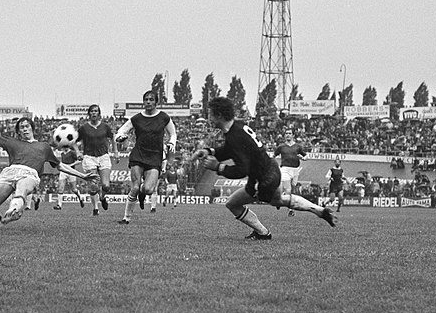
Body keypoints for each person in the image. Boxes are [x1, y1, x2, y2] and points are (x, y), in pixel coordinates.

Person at [192, 97, 335, 240]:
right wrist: (210, 151)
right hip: (269, 169)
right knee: (279, 200)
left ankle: (263, 233)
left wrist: (217, 167)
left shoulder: (234, 135)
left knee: (235, 204)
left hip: (262, 179)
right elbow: (230, 150)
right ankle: (320, 211)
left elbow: (242, 170)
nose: (209, 118)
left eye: (211, 114)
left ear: (219, 115)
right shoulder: (237, 127)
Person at [0, 105, 97, 228]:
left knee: (21, 190)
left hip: (30, 173)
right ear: (18, 131)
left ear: (31, 128)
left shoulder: (44, 146)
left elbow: (60, 166)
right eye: (22, 127)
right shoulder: (11, 142)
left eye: (27, 126)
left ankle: (14, 209)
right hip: (10, 173)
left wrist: (83, 175)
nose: (24, 129)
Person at [114, 90, 177, 224]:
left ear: (156, 102)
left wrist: (172, 142)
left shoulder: (163, 117)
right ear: (143, 102)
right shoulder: (136, 118)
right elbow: (121, 131)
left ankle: (142, 195)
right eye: (146, 99)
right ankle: (126, 218)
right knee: (135, 187)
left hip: (155, 157)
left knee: (148, 189)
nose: (148, 102)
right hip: (138, 155)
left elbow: (173, 133)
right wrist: (120, 137)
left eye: (151, 99)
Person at [76, 104, 116, 216]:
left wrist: (116, 152)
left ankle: (102, 197)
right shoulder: (84, 128)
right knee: (93, 186)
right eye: (92, 111)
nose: (94, 113)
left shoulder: (105, 127)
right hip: (89, 157)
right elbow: (74, 141)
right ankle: (95, 209)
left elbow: (112, 138)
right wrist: (78, 152)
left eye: (96, 111)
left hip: (103, 156)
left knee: (106, 185)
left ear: (99, 113)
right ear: (89, 113)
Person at [275, 129, 306, 216]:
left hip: (295, 170)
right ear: (285, 136)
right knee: (288, 189)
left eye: (290, 133)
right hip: (285, 169)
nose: (288, 135)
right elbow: (274, 155)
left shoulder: (297, 147)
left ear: (293, 135)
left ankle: (278, 201)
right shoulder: (281, 147)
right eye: (286, 133)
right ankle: (291, 210)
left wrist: (302, 158)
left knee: (292, 189)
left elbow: (305, 156)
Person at [54, 145, 85, 210]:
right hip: (63, 171)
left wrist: (71, 165)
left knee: (74, 189)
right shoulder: (62, 153)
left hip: (71, 171)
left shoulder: (72, 153)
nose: (64, 148)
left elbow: (79, 161)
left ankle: (80, 198)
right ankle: (59, 205)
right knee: (61, 188)